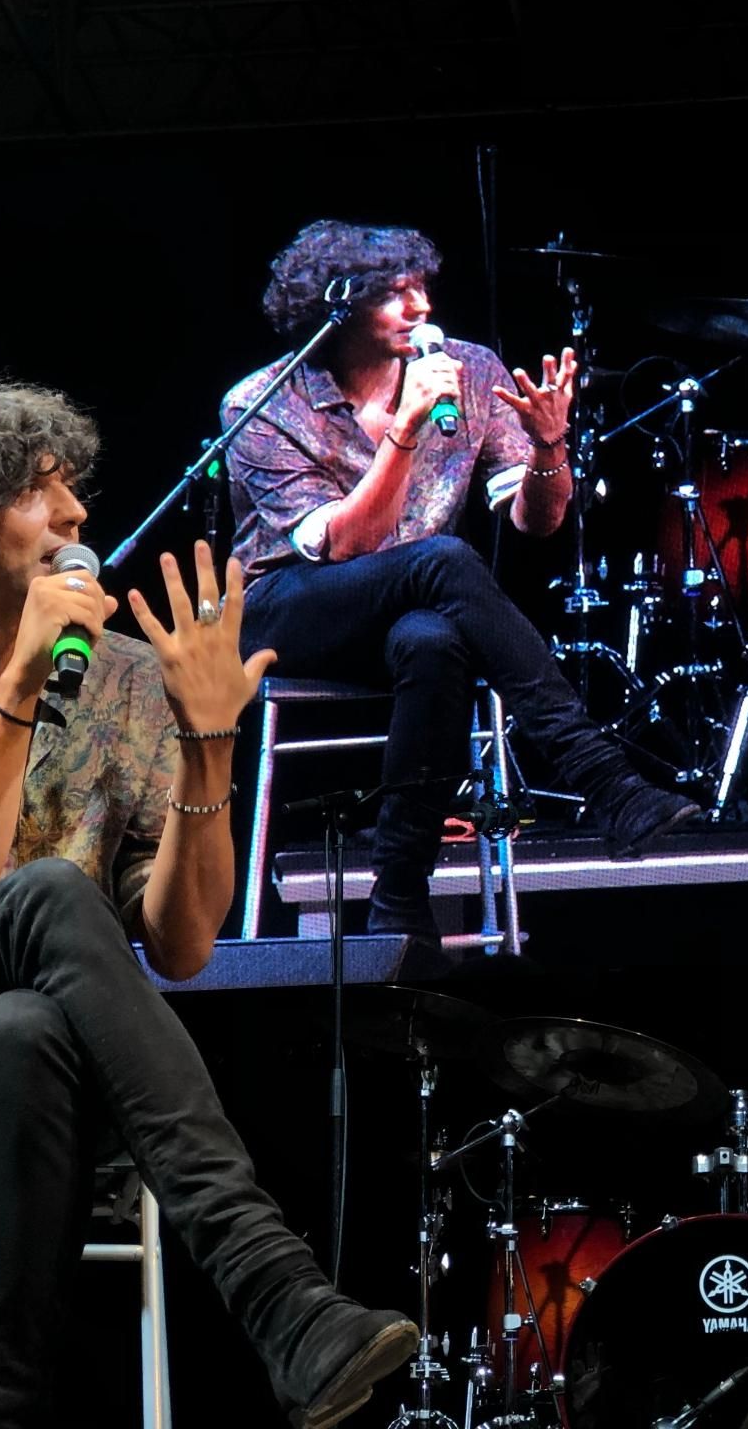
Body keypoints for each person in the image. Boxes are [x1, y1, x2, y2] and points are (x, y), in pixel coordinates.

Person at [0, 368, 416, 1428]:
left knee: (24, 1027)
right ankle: (269, 1280)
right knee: (47, 894)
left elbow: (183, 944)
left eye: (72, 485)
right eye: (36, 489)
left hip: (45, 1069)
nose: (75, 513)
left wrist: (209, 743)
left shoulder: (127, 680)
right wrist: (23, 690)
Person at [224, 219, 697, 945]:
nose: (420, 307)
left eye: (421, 287)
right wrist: (406, 429)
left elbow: (536, 520)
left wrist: (549, 444)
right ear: (336, 306)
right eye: (394, 293)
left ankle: (399, 898)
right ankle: (603, 777)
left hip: (413, 605)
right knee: (441, 560)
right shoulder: (264, 403)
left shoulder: (469, 371)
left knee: (434, 640)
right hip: (289, 610)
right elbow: (346, 545)